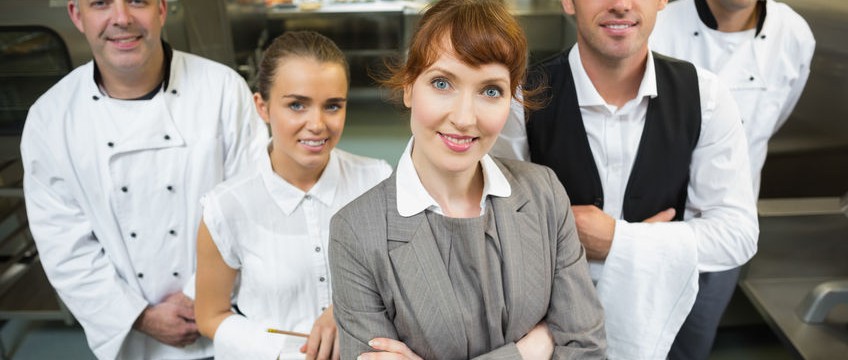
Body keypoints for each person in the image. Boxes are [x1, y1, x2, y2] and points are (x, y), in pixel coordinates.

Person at [329, 0, 607, 359]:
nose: (464, 117)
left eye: (490, 90)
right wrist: (526, 352)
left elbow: (587, 350)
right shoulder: (355, 232)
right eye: (442, 83)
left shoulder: (543, 194)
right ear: (409, 88)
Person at [492, 0, 760, 358]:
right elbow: (498, 223)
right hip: (552, 320)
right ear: (568, 2)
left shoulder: (706, 96)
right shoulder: (522, 96)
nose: (620, 4)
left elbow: (737, 234)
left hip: (666, 315)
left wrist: (620, 240)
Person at [20, 0, 268, 358]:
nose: (121, 18)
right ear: (76, 15)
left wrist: (202, 297)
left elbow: (253, 204)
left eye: (138, 1)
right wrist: (139, 315)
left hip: (229, 321)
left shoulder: (222, 90)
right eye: (101, 3)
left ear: (162, 9)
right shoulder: (51, 118)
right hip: (133, 339)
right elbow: (63, 244)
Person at [194, 31, 392, 360]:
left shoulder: (379, 181)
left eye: (332, 106)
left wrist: (344, 308)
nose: (316, 124)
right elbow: (210, 316)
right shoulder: (225, 206)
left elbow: (404, 279)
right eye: (297, 105)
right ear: (263, 107)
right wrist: (287, 351)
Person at [650, 2, 814, 357]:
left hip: (724, 231)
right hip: (648, 226)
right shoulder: (658, 24)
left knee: (692, 347)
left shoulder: (794, 35)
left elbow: (772, 122)